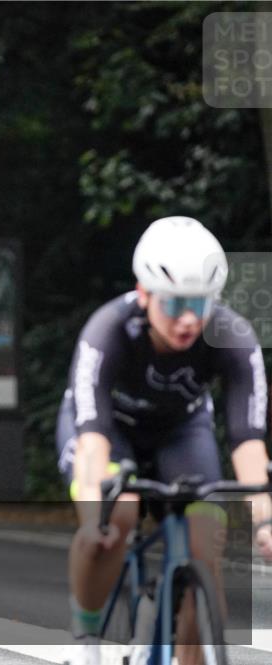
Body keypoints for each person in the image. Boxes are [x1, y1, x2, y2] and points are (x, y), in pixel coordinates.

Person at [56, 217, 272, 665]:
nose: (189, 319)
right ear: (144, 292)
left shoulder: (234, 338)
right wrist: (96, 509)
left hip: (181, 432)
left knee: (207, 551)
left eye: (201, 302)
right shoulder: (108, 330)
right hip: (108, 429)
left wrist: (265, 524)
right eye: (175, 304)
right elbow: (92, 438)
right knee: (117, 519)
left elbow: (248, 443)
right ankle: (87, 639)